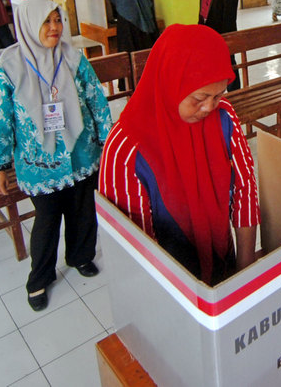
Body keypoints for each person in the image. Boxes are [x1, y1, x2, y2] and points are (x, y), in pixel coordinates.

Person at [99, 24, 260, 286]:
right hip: (166, 287)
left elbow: (245, 189)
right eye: (199, 97)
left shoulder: (224, 116)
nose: (209, 106)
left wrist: (244, 272)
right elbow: (135, 248)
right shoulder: (126, 148)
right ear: (169, 82)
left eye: (218, 94)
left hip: (224, 265)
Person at [0, 0, 112, 311]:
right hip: (39, 163)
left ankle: (81, 256)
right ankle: (39, 278)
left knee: (83, 208)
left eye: (57, 20)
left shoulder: (73, 58)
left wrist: (108, 140)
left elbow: (96, 100)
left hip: (81, 153)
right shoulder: (8, 67)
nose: (54, 28)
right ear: (29, 25)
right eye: (46, 22)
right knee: (47, 218)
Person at [198, 0, 241, 91]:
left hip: (222, 32)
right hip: (206, 28)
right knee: (209, 63)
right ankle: (213, 92)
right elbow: (203, 6)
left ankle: (235, 93)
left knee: (228, 62)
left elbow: (228, 18)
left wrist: (224, 38)